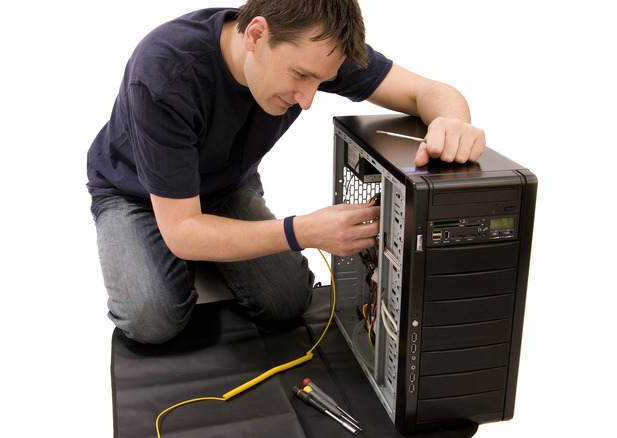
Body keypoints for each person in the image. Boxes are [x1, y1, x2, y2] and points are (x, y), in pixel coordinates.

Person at [87, 0, 486, 344]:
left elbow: (428, 91)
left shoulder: (318, 48)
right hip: (132, 192)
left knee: (288, 302)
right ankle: (192, 253)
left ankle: (217, 246)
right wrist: (304, 231)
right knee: (152, 320)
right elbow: (182, 230)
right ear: (256, 35)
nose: (308, 99)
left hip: (224, 186)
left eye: (322, 81)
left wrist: (453, 124)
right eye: (300, 76)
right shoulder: (164, 73)